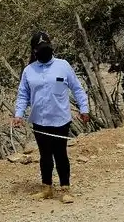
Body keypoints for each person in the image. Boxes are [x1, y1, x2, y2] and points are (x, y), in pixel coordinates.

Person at [12, 31, 90, 204]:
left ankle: (65, 188)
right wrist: (18, 115)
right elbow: (23, 94)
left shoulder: (63, 65)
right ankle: (46, 188)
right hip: (39, 120)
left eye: (46, 47)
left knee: (61, 154)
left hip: (61, 119)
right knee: (45, 155)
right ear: (34, 51)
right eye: (40, 49)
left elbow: (77, 89)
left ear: (51, 47)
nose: (44, 51)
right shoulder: (28, 71)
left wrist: (84, 109)